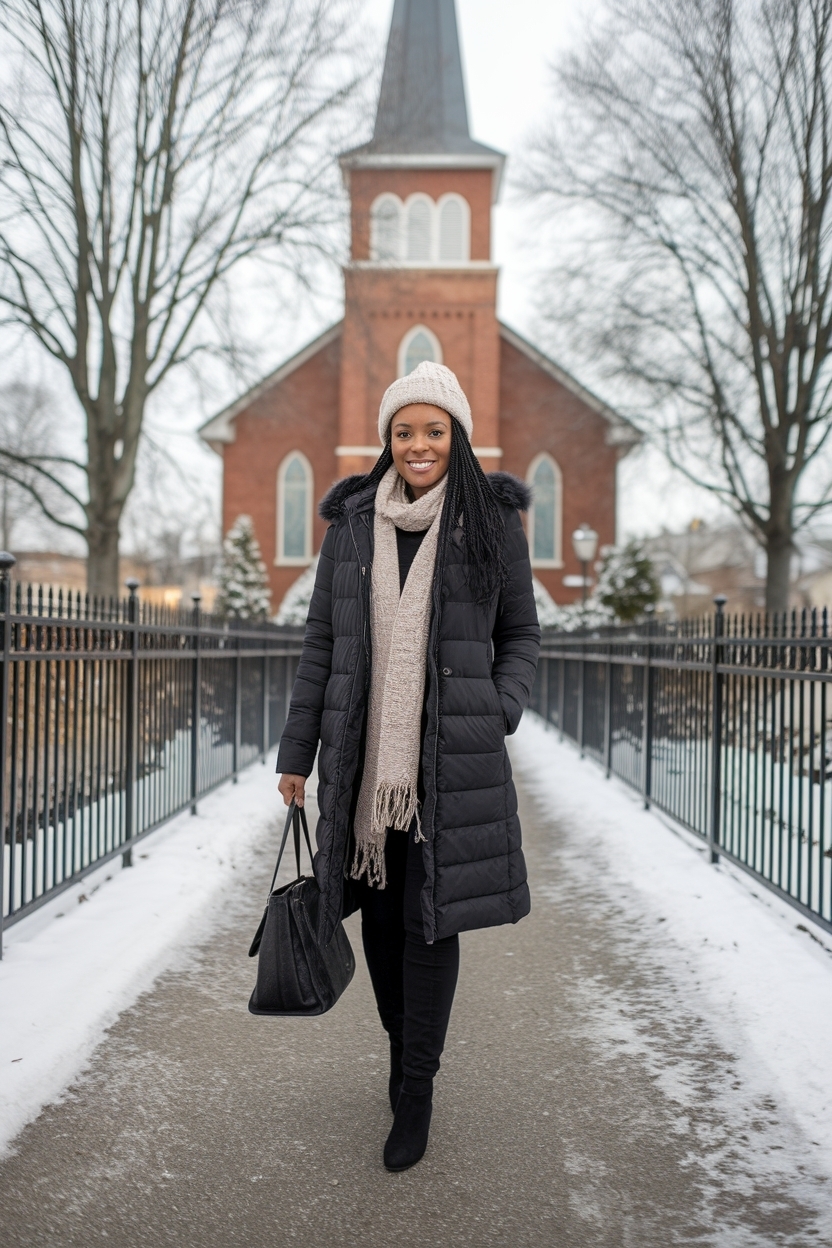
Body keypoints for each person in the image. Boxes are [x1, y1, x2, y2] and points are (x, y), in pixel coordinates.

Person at [276, 361, 540, 1171]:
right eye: (404, 431)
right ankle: (400, 1054)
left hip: (448, 764)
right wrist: (296, 753)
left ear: (457, 436)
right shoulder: (353, 525)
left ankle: (417, 1087)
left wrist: (498, 706)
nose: (418, 444)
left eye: (434, 430)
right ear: (387, 440)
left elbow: (520, 635)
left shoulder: (491, 522)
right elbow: (321, 643)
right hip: (365, 764)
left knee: (431, 923)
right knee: (384, 921)